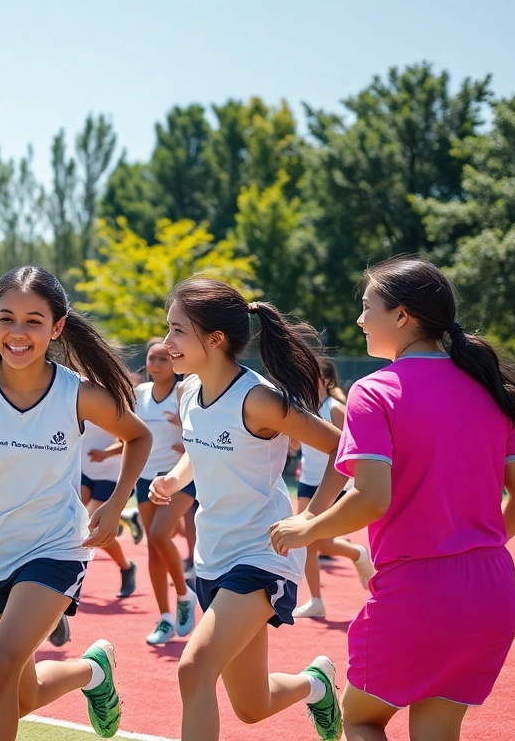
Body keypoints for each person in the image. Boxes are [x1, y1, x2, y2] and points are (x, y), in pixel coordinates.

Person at [271, 257, 515, 741]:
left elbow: (371, 498)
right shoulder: (487, 388)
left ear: (402, 316)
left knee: (358, 718)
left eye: (366, 307)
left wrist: (304, 529)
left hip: (418, 593)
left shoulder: (374, 391)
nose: (359, 319)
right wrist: (468, 543)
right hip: (492, 592)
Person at [0, 266, 150, 740]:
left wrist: (115, 503)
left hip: (55, 547)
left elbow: (138, 437)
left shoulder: (76, 393)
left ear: (57, 327)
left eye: (33, 321)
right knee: (18, 694)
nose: (18, 333)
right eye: (7, 319)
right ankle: (93, 673)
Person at [149, 277, 345, 741]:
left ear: (214, 339)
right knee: (252, 706)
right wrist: (174, 479)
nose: (166, 342)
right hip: (214, 556)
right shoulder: (189, 392)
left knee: (194, 669)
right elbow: (198, 448)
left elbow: (343, 450)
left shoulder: (258, 399)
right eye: (168, 328)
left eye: (178, 331)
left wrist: (310, 518)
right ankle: (315, 684)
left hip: (262, 554)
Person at [129, 338, 202, 646]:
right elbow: (130, 439)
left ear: (174, 362)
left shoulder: (184, 393)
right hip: (145, 478)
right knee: (153, 549)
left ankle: (185, 595)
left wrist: (185, 440)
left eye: (163, 358)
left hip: (179, 478)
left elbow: (202, 435)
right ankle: (165, 619)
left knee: (160, 535)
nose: (157, 364)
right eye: (152, 359)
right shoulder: (138, 394)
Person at [290, 358, 374, 617]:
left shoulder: (336, 408)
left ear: (324, 380)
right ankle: (315, 601)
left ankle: (355, 552)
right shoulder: (300, 409)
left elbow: (351, 448)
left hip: (334, 483)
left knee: (321, 541)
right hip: (307, 482)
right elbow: (294, 447)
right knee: (306, 541)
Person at [80, 420, 140, 608]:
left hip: (111, 476)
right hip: (84, 472)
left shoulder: (114, 401)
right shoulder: (76, 395)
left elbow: (131, 441)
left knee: (90, 528)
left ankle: (126, 567)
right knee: (71, 524)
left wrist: (106, 453)